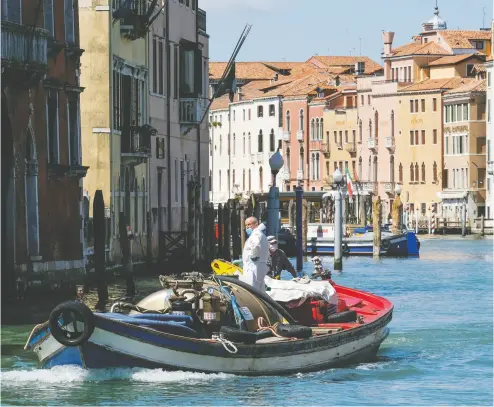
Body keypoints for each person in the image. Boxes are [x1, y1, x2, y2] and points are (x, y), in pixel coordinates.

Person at [240, 216, 269, 292]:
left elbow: (255, 246)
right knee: (260, 288)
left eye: (249, 224)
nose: (247, 227)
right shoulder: (261, 235)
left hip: (253, 266)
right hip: (258, 265)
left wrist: (253, 256)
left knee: (252, 289)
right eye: (246, 225)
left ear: (256, 224)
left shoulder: (256, 234)